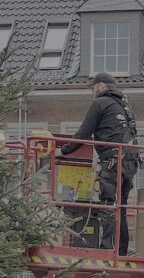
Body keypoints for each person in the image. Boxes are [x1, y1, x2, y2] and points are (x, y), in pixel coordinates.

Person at [58, 72, 139, 256]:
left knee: (108, 205)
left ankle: (107, 250)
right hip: (130, 161)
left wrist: (63, 151)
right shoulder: (125, 106)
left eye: (93, 87)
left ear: (101, 85)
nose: (93, 91)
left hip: (112, 160)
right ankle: (122, 250)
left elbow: (83, 133)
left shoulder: (100, 103)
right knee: (121, 207)